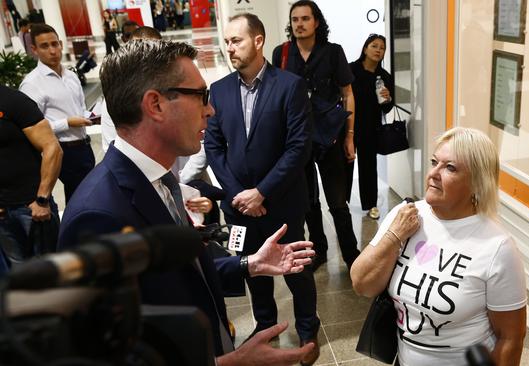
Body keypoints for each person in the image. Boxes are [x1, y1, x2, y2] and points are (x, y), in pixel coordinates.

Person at [58, 39, 316, 365]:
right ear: (156, 105)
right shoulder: (98, 216)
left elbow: (179, 277)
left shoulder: (161, 183)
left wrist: (248, 264)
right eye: (201, 96)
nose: (210, 109)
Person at [350, 127, 527, 366]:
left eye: (450, 167)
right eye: (434, 162)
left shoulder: (498, 248)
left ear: (477, 182)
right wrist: (394, 235)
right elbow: (362, 284)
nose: (433, 173)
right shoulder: (406, 215)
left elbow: (511, 338)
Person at [204, 13, 319, 365]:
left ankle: (307, 327)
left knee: (296, 269)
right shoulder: (219, 90)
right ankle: (265, 324)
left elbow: (298, 147)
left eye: (236, 41)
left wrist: (262, 192)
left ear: (258, 41)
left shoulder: (289, 85)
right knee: (252, 269)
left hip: (282, 202)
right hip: (240, 206)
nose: (229, 48)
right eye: (226, 42)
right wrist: (241, 194)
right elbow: (214, 146)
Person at [272, 0, 359, 271]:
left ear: (316, 22)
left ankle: (351, 255)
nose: (299, 24)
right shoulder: (282, 53)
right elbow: (276, 97)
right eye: (295, 19)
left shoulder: (333, 52)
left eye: (305, 19)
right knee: (308, 202)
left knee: (337, 203)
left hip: (330, 137)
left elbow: (347, 94)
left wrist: (349, 137)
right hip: (296, 139)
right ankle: (318, 250)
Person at [20, 23, 95, 204]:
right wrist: (67, 122)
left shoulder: (71, 75)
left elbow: (79, 108)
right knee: (80, 200)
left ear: (61, 44)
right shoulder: (31, 84)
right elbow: (31, 128)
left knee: (90, 196)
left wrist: (91, 116)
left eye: (55, 44)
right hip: (63, 150)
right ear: (34, 50)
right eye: (45, 46)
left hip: (84, 145)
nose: (52, 50)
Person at [0, 85, 62, 270]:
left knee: (50, 270)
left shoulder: (13, 101)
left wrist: (42, 200)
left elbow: (52, 148)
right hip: (2, 214)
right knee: (17, 274)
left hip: (31, 208)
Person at [346, 34, 394, 220]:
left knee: (368, 167)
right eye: (374, 46)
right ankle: (341, 203)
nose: (378, 50)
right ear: (365, 48)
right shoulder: (350, 70)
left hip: (370, 128)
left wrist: (388, 98)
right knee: (345, 165)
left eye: (382, 48)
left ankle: (371, 204)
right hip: (348, 125)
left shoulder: (384, 77)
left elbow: (387, 108)